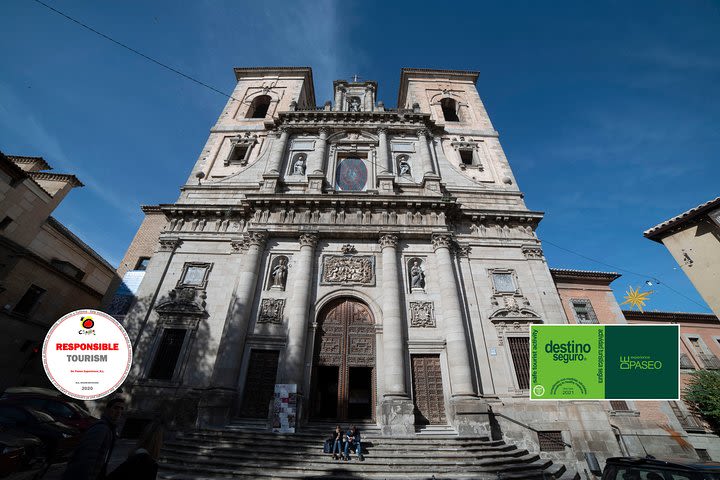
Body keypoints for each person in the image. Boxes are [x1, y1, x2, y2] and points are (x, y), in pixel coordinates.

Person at [62, 397, 125, 480]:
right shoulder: (101, 428)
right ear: (108, 410)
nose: (119, 411)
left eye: (121, 409)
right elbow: (87, 458)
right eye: (116, 408)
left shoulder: (110, 428)